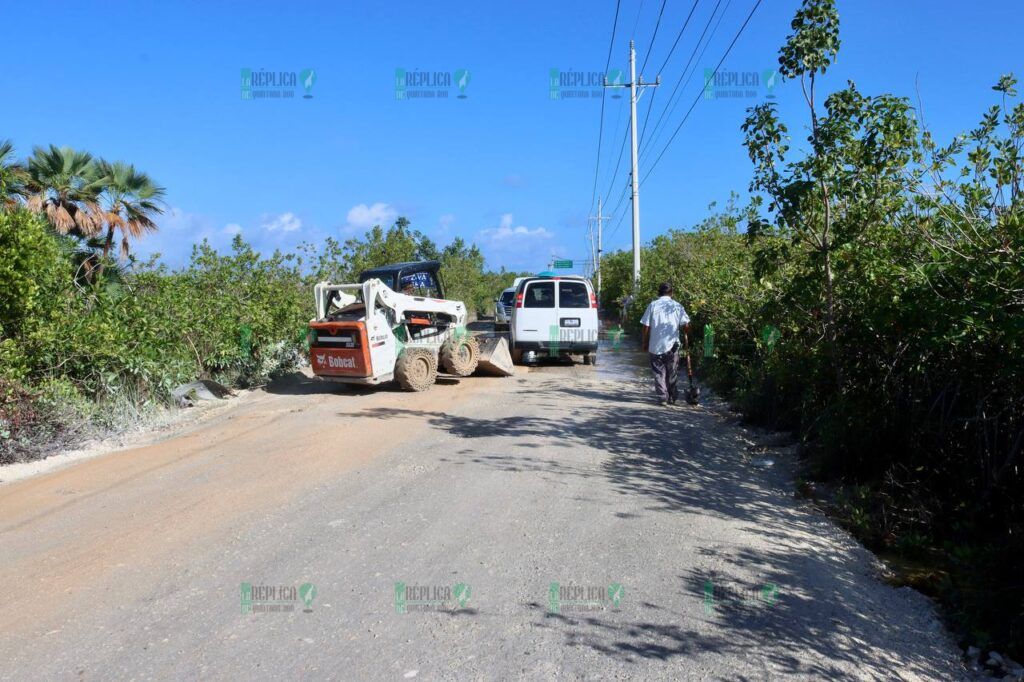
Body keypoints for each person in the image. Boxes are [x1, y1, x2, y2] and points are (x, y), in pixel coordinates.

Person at [640, 282, 691, 406]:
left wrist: (645, 342)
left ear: (659, 293)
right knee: (672, 372)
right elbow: (686, 325)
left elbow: (646, 326)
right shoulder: (677, 306)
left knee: (659, 372)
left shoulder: (653, 305)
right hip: (673, 346)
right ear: (671, 293)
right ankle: (672, 397)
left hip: (655, 345)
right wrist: (685, 330)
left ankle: (663, 397)